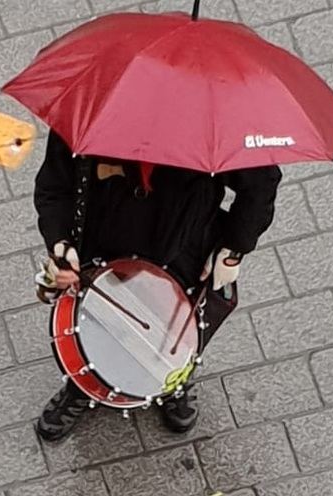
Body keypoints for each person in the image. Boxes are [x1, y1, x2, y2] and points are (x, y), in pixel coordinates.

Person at [34, 130, 282, 442]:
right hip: (106, 243)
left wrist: (233, 249)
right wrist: (59, 242)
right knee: (97, 322)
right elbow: (54, 187)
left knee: (182, 325)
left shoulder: (217, 123)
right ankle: (84, 384)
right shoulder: (93, 113)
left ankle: (174, 376)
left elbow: (261, 183)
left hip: (186, 248)